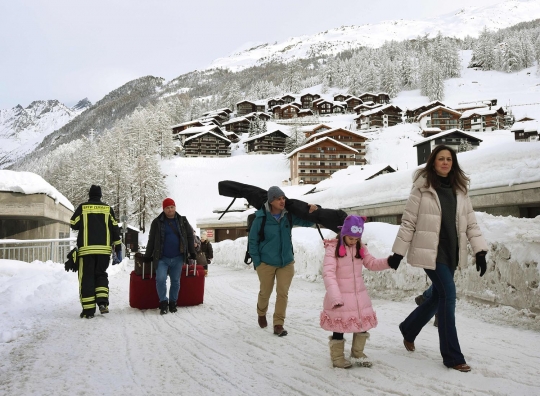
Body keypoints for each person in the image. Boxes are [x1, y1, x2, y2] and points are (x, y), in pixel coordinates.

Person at [389, 145, 488, 373]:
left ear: (453, 163)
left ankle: (409, 328)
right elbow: (409, 222)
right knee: (448, 296)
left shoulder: (460, 190)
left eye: (449, 159)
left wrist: (479, 250)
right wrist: (398, 252)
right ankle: (453, 356)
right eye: (441, 159)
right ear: (433, 162)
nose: (445, 162)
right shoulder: (422, 189)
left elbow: (471, 223)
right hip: (430, 253)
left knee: (436, 296)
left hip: (452, 253)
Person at [321, 215, 397, 369]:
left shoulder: (360, 248)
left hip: (358, 295)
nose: (354, 241)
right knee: (339, 327)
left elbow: (372, 263)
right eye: (351, 238)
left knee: (362, 324)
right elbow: (328, 273)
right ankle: (337, 357)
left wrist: (389, 261)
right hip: (339, 296)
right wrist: (335, 296)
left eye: (357, 239)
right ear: (344, 234)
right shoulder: (333, 249)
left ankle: (357, 353)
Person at [248, 186, 317, 337]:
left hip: (286, 262)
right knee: (265, 292)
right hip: (266, 263)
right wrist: (258, 262)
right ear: (271, 201)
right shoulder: (261, 218)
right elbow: (252, 242)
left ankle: (278, 324)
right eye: (279, 198)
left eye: (283, 198)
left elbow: (309, 222)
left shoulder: (288, 216)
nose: (282, 201)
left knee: (282, 293)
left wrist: (313, 210)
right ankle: (261, 312)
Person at [70, 185, 122, 318]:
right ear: (100, 195)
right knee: (101, 275)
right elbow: (115, 229)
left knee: (87, 278)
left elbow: (73, 223)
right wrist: (118, 246)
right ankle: (103, 303)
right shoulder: (107, 209)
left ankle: (88, 311)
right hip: (104, 251)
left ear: (89, 195)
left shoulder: (83, 207)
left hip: (86, 251)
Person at [144, 197, 197, 315]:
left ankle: (173, 302)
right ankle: (163, 302)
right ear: (163, 209)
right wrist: (147, 255)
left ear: (175, 207)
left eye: (172, 207)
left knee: (176, 281)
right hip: (162, 258)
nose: (170, 209)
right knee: (161, 279)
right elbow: (151, 240)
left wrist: (192, 253)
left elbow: (189, 236)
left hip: (178, 257)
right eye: (167, 208)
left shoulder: (182, 221)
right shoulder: (157, 222)